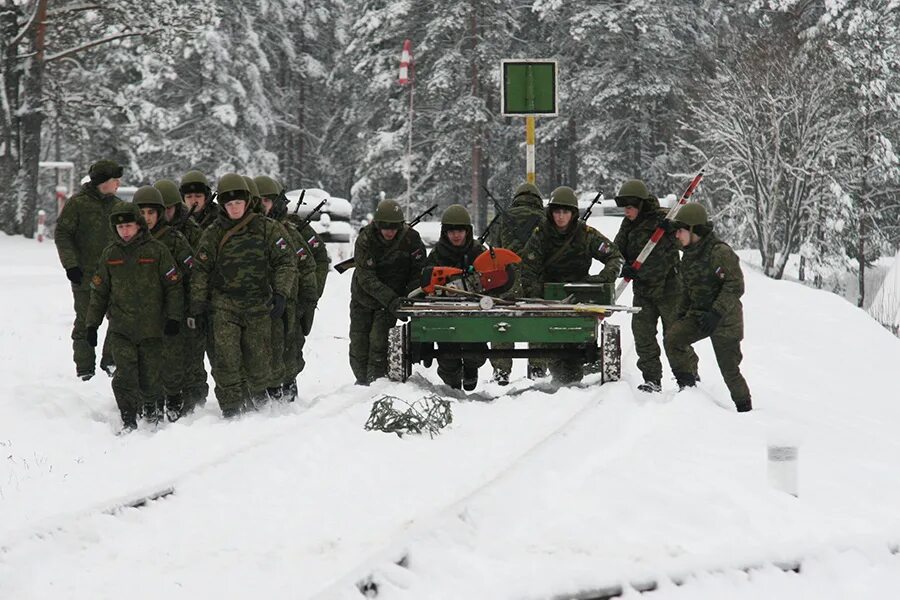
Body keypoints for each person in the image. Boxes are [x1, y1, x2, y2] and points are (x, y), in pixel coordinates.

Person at [188, 174, 296, 418]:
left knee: (258, 363)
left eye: (238, 202)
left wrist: (281, 293)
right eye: (229, 204)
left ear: (247, 201)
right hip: (224, 305)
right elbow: (201, 270)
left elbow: (286, 262)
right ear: (223, 205)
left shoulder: (268, 229)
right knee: (226, 360)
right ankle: (231, 409)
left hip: (259, 305)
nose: (234, 208)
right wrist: (198, 304)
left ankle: (258, 405)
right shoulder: (214, 233)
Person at [85, 201, 184, 432]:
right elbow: (99, 292)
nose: (125, 231)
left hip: (152, 329)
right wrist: (92, 325)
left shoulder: (157, 251)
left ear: (139, 226)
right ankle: (128, 417)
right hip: (121, 329)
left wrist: (173, 318)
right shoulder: (110, 254)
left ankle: (151, 410)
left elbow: (173, 286)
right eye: (120, 228)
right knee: (124, 378)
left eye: (129, 226)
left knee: (150, 377)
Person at [520, 186, 624, 384]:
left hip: (579, 295)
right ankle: (560, 379)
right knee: (553, 347)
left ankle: (572, 376)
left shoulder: (586, 234)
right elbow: (528, 268)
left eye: (565, 212)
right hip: (548, 297)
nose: (560, 217)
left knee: (574, 344)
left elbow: (615, 257)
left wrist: (603, 278)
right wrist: (535, 294)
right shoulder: (541, 234)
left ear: (573, 213)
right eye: (557, 211)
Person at [664, 203, 752, 412]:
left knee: (729, 370)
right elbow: (687, 290)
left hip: (725, 319)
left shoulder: (719, 252)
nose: (677, 235)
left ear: (694, 230)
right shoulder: (689, 254)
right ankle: (688, 389)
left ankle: (745, 410)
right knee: (673, 339)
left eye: (681, 230)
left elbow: (735, 285)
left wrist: (717, 312)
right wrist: (679, 318)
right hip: (699, 315)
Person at [613, 179, 698, 393]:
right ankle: (652, 378)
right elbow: (617, 251)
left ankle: (687, 376)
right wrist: (625, 266)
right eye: (625, 208)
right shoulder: (628, 225)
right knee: (643, 335)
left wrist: (673, 230)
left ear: (640, 205)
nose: (627, 212)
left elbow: (688, 243)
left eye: (630, 207)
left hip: (671, 288)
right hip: (643, 290)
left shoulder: (666, 218)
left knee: (675, 335)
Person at [54, 159, 126, 380]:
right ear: (104, 182)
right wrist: (71, 265)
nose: (118, 184)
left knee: (121, 319)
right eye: (115, 180)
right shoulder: (77, 204)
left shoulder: (119, 207)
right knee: (86, 322)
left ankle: (110, 361)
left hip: (116, 277)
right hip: (85, 276)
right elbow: (63, 234)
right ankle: (84, 369)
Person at [349, 198, 426, 385]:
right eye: (385, 227)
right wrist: (392, 300)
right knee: (359, 346)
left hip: (391, 302)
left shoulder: (411, 239)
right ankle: (361, 384)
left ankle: (376, 385)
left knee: (379, 344)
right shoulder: (365, 239)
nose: (389, 232)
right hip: (365, 298)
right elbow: (366, 277)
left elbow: (419, 271)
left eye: (393, 227)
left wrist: (408, 296)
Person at [255, 176, 318, 403]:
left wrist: (307, 305)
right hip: (258, 304)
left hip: (288, 303)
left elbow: (309, 268)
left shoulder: (289, 233)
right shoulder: (250, 233)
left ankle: (288, 398)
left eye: (267, 200)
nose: (262, 206)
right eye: (258, 200)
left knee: (289, 352)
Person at [139, 184, 195, 420]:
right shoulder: (128, 238)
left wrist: (190, 305)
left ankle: (173, 399)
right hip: (139, 311)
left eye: (151, 213)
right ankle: (147, 402)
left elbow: (191, 271)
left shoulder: (174, 239)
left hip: (171, 308)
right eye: (141, 213)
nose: (146, 218)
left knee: (171, 360)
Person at [424, 204, 489, 390]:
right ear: (445, 232)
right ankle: (452, 390)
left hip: (475, 313)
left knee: (475, 355)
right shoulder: (437, 254)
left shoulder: (479, 251)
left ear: (467, 231)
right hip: (446, 313)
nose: (456, 235)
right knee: (448, 360)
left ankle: (470, 370)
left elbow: (493, 280)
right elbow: (426, 282)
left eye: (460, 230)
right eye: (451, 231)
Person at [488, 182, 546, 383]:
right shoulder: (544, 219)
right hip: (536, 277)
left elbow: (493, 248)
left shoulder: (504, 218)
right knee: (537, 317)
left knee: (503, 321)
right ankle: (537, 368)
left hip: (507, 279)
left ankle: (502, 370)